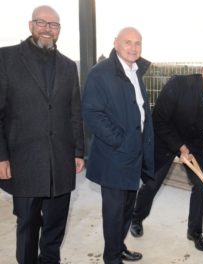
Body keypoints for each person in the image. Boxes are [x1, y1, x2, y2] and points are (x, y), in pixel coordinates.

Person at [0, 5, 85, 263]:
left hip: (59, 162)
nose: (48, 29)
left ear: (59, 31)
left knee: (55, 225)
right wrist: (1, 156)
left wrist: (79, 151)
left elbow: (74, 112)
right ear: (30, 25)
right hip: (24, 161)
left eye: (54, 25)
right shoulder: (6, 58)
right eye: (42, 23)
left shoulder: (69, 66)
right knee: (27, 225)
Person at [130, 59, 203, 252]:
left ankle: (195, 232)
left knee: (202, 185)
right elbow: (158, 119)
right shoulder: (179, 84)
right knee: (152, 182)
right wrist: (179, 147)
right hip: (166, 136)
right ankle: (136, 217)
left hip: (194, 142)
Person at [81, 27, 154, 263]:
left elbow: (140, 111)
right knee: (113, 214)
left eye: (138, 43)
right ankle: (111, 258)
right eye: (128, 43)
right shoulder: (100, 73)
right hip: (114, 156)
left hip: (134, 154)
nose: (133, 48)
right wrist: (120, 141)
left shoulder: (136, 71)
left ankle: (119, 247)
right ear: (115, 43)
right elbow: (92, 113)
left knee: (125, 210)